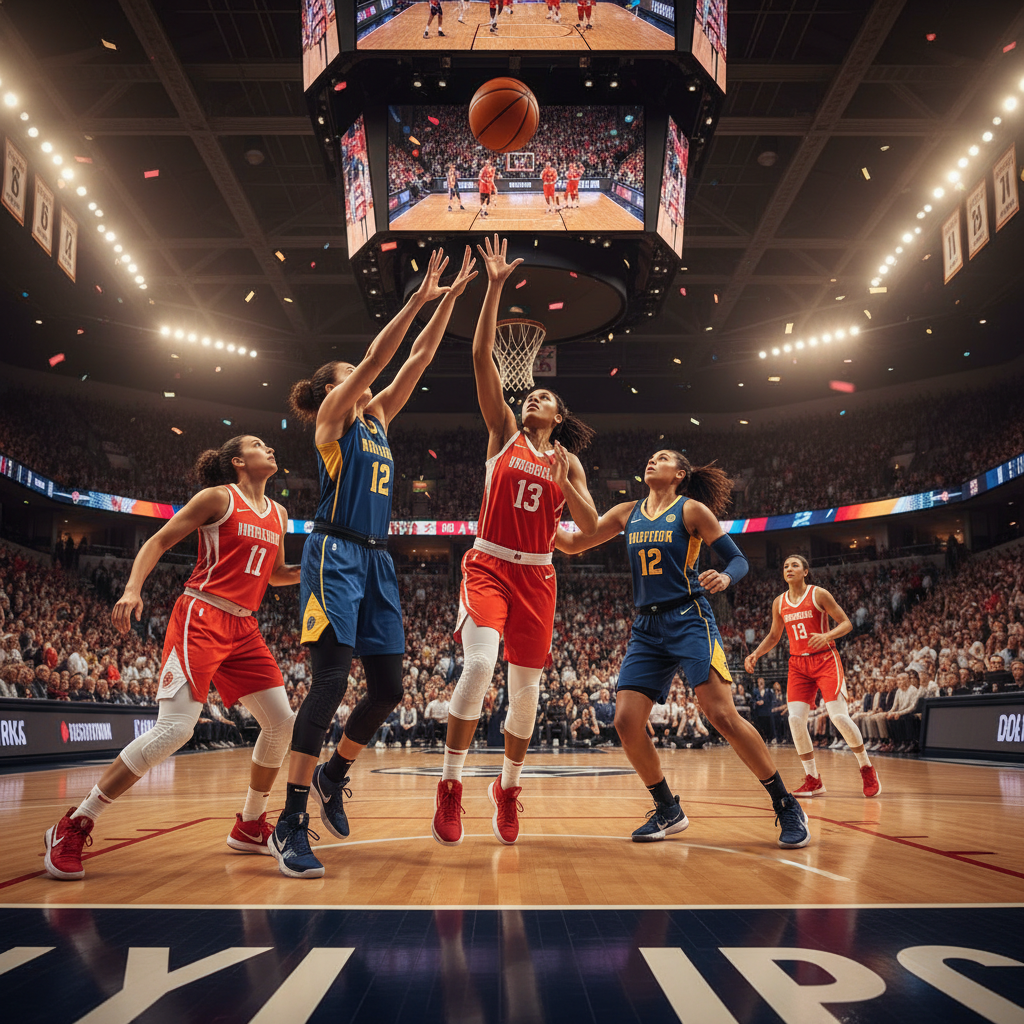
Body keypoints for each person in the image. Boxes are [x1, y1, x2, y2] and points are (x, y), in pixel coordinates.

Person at [271, 246, 478, 878]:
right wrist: (417, 297)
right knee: (331, 681)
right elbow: (381, 357)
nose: (364, 381)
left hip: (377, 561)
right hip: (333, 552)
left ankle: (334, 774)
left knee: (388, 687)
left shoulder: (380, 419)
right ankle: (290, 820)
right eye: (352, 375)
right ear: (335, 387)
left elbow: (415, 359)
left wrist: (449, 300)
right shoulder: (333, 419)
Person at [43, 436, 300, 881]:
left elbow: (274, 575)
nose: (270, 449)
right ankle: (74, 823)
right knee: (175, 730)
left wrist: (313, 571)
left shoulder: (279, 514)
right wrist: (131, 588)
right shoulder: (219, 497)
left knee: (281, 723)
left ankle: (250, 824)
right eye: (259, 445)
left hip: (245, 627)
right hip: (201, 614)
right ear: (238, 461)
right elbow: (159, 540)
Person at [432, 235, 598, 848]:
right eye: (532, 393)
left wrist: (573, 498)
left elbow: (587, 533)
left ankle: (507, 788)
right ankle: (450, 786)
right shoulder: (503, 430)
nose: (535, 398)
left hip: (540, 573)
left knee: (526, 696)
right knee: (478, 667)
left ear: (558, 415)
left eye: (545, 398)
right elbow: (481, 359)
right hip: (489, 565)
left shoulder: (569, 463)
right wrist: (495, 286)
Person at [556, 449, 810, 849]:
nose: (651, 462)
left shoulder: (691, 511)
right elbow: (572, 543)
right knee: (624, 721)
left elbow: (738, 560)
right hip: (646, 626)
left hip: (689, 618)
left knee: (721, 714)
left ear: (679, 473)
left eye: (662, 458)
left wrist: (725, 579)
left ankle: (785, 803)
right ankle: (667, 809)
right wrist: (536, 520)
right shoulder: (627, 512)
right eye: (651, 458)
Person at [745, 554, 880, 798]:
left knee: (838, 717)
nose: (789, 568)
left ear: (805, 571)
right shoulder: (779, 602)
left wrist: (827, 636)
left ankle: (866, 767)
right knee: (795, 720)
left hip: (826, 660)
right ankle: (813, 779)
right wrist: (755, 653)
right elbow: (775, 636)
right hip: (798, 665)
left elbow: (846, 624)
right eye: (785, 566)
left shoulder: (819, 594)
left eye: (795, 565)